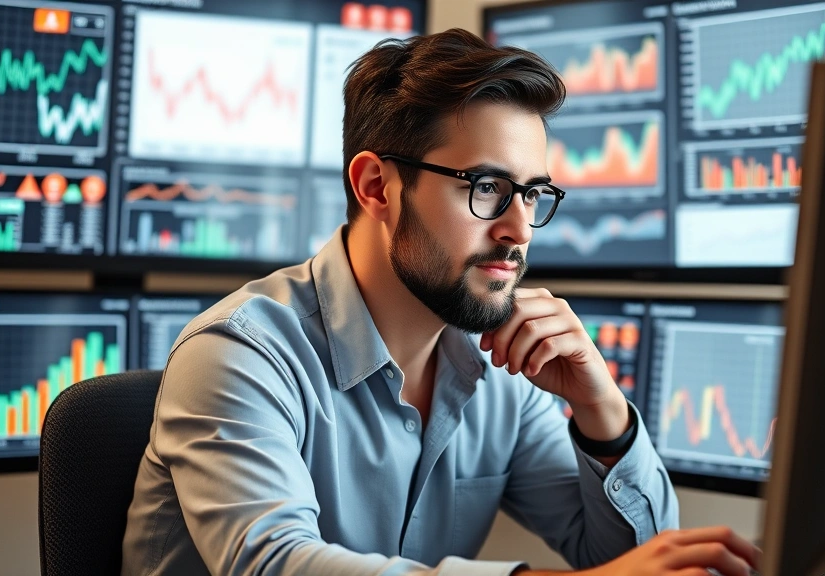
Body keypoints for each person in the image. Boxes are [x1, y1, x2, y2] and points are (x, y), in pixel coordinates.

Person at [121, 28, 761, 576]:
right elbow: (275, 562)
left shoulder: (502, 371)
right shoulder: (238, 355)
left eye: (533, 194)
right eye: (486, 187)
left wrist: (603, 411)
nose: (517, 229)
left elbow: (640, 559)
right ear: (378, 186)